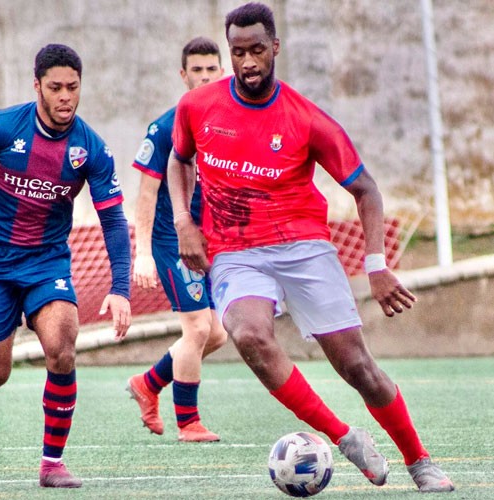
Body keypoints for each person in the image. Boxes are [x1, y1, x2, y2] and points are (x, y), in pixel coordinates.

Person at [167, 3, 455, 493]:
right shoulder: (197, 107)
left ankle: (419, 459)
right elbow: (178, 161)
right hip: (237, 252)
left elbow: (367, 189)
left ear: (275, 47)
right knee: (250, 335)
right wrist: (183, 221)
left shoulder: (305, 118)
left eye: (257, 50)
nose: (248, 62)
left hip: (304, 249)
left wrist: (377, 265)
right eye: (238, 53)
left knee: (358, 368)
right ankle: (344, 438)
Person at [0, 43, 132, 489]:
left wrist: (121, 287)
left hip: (46, 262)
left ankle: (51, 463)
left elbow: (113, 218)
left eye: (73, 88)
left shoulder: (90, 149)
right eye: (55, 87)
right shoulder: (1, 127)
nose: (65, 97)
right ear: (36, 85)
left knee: (62, 344)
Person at [127, 37, 228, 443]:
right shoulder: (166, 126)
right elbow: (147, 194)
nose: (204, 76)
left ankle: (148, 383)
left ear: (222, 72)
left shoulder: (228, 120)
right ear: (183, 75)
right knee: (199, 329)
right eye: (196, 70)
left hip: (211, 243)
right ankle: (189, 423)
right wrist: (144, 254)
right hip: (174, 242)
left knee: (218, 333)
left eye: (211, 69)